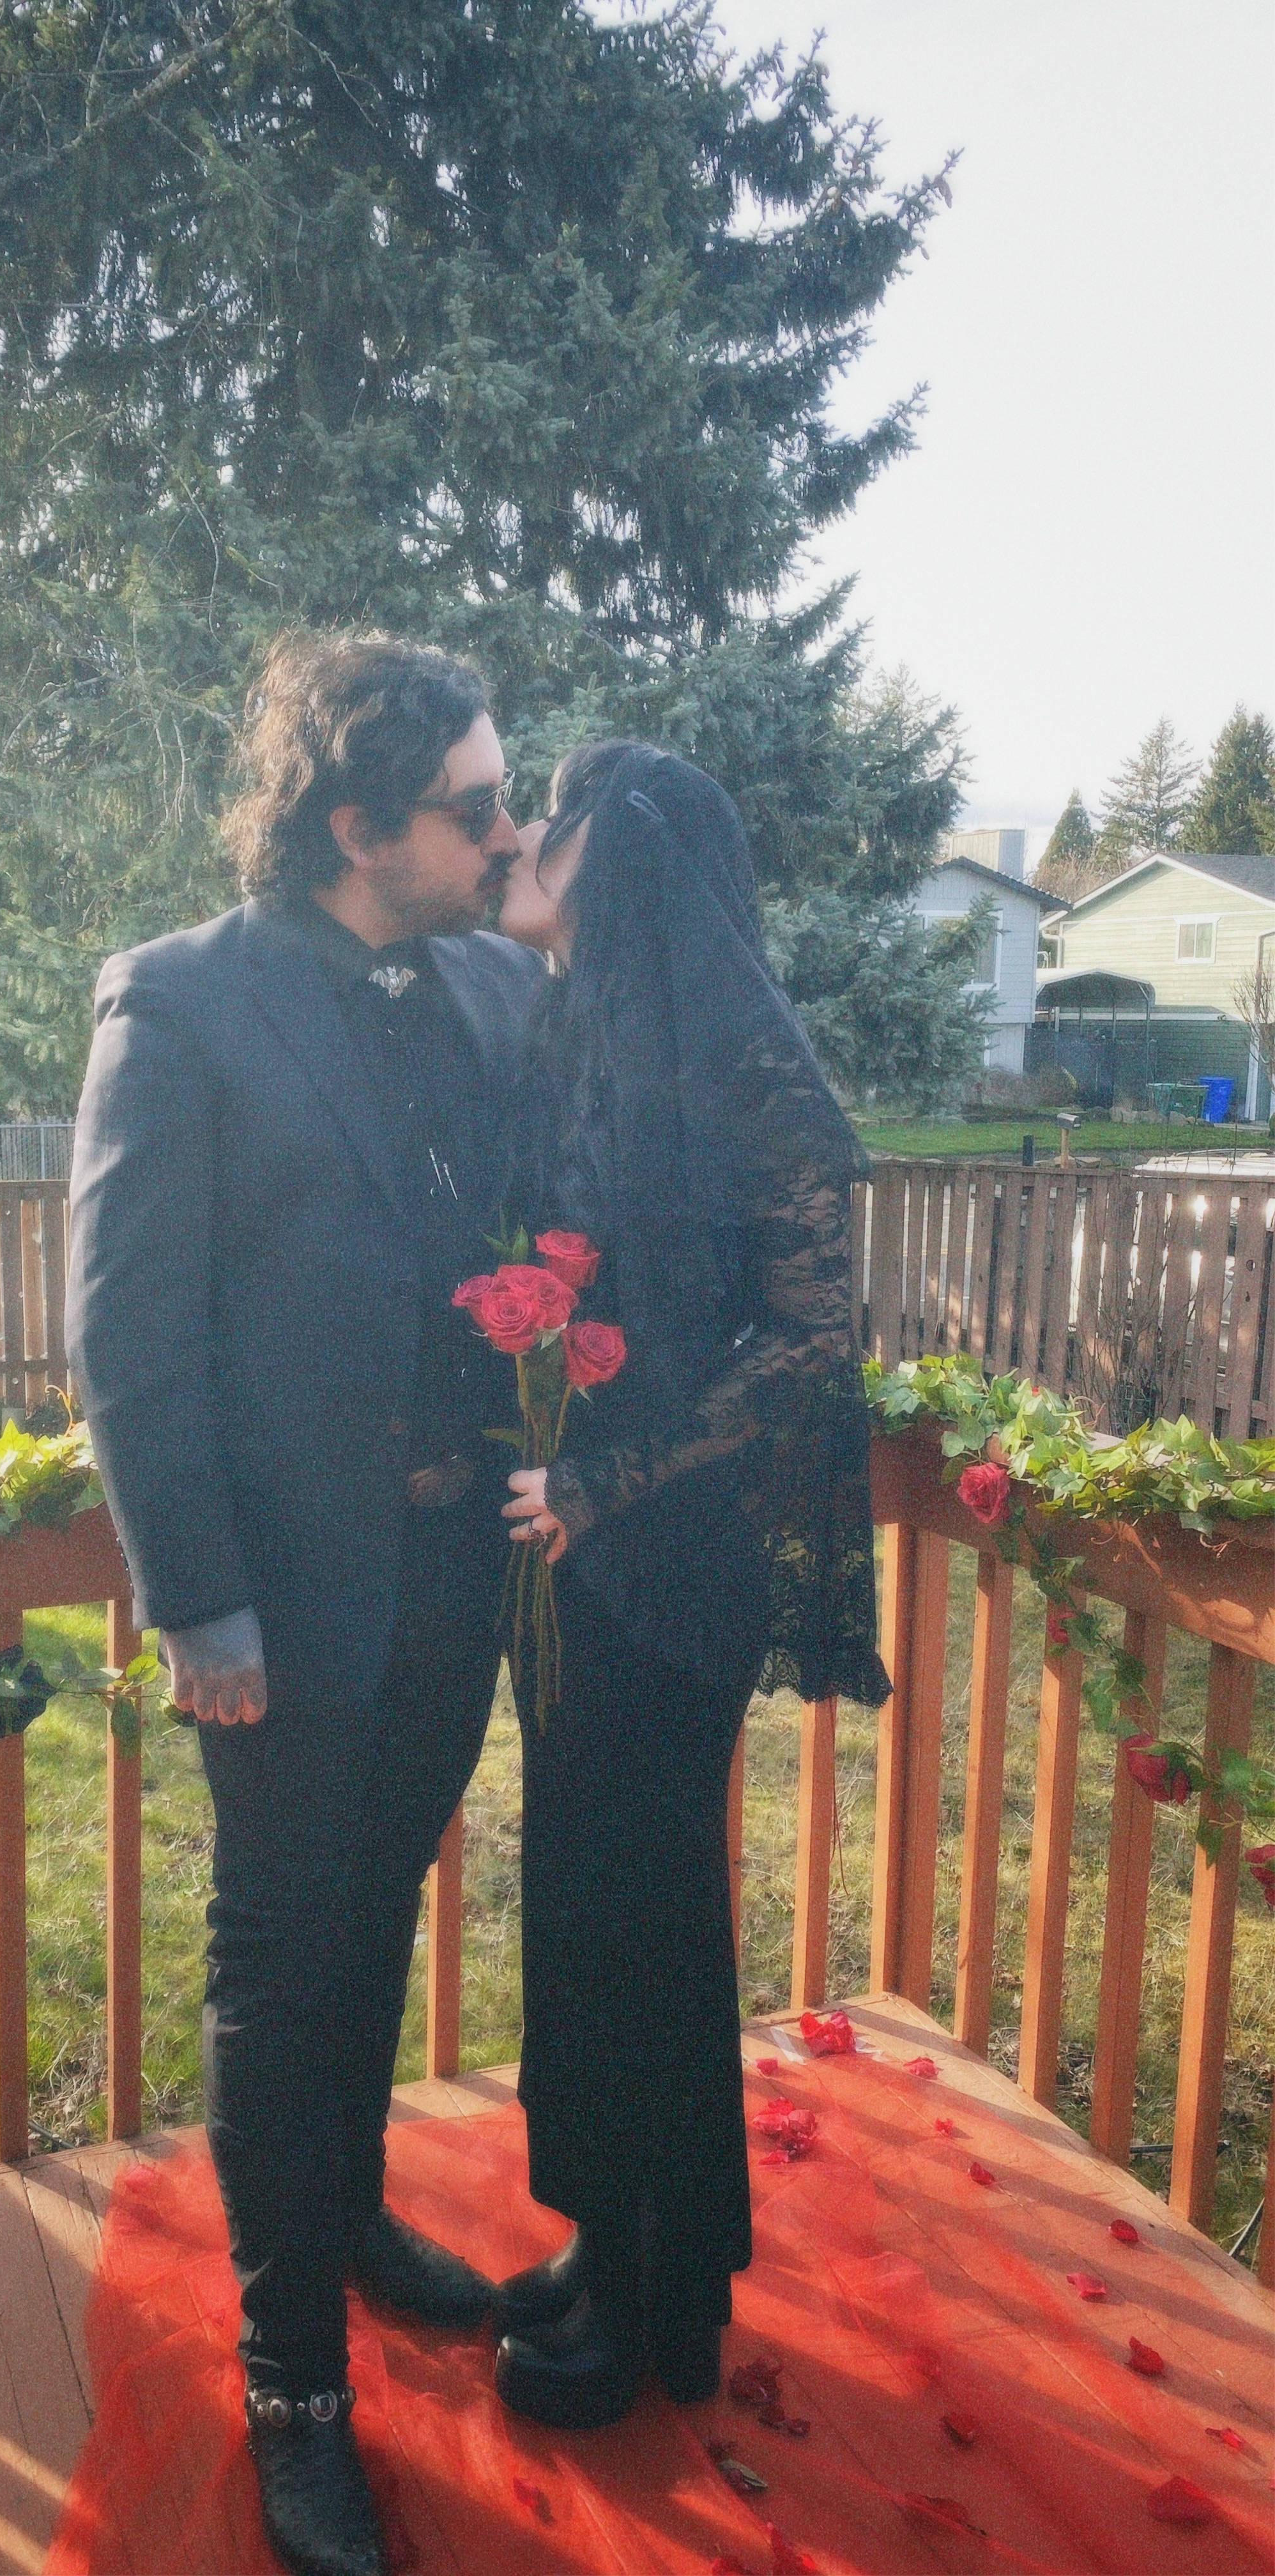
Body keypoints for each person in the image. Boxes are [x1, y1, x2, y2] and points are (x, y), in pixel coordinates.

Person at [66, 632, 542, 2576]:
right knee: (283, 1961)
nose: (509, 831)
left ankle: (344, 2214)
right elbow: (129, 1334)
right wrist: (199, 1606)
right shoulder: (181, 1002)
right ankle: (292, 2388)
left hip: (459, 1567)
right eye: (476, 806)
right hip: (279, 1596)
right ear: (357, 826)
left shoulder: (497, 982)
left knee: (381, 1907)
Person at [485, 740, 891, 2431]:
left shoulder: (746, 1061)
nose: (519, 833)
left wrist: (604, 1478)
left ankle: (658, 2287)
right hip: (575, 1560)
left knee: (642, 1920)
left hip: (673, 1560)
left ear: (625, 852)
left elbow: (808, 1338)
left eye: (550, 812)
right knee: (580, 1905)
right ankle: (615, 2249)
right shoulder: (577, 1034)